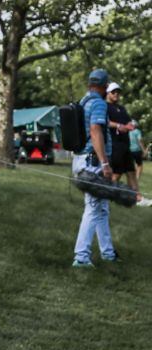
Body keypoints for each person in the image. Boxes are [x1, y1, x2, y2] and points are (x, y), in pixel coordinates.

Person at [72, 69, 119, 267]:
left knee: (101, 208)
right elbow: (95, 130)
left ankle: (107, 253)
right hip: (93, 162)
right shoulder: (99, 103)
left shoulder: (83, 102)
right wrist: (105, 163)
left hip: (81, 159)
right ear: (105, 85)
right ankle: (81, 257)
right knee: (93, 208)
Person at [105, 82, 138, 195]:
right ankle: (107, 194)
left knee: (131, 171)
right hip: (114, 144)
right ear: (108, 93)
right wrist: (119, 126)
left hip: (125, 144)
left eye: (118, 92)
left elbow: (128, 120)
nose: (116, 94)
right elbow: (106, 122)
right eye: (113, 92)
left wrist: (130, 125)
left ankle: (136, 198)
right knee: (117, 173)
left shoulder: (121, 108)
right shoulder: (104, 106)